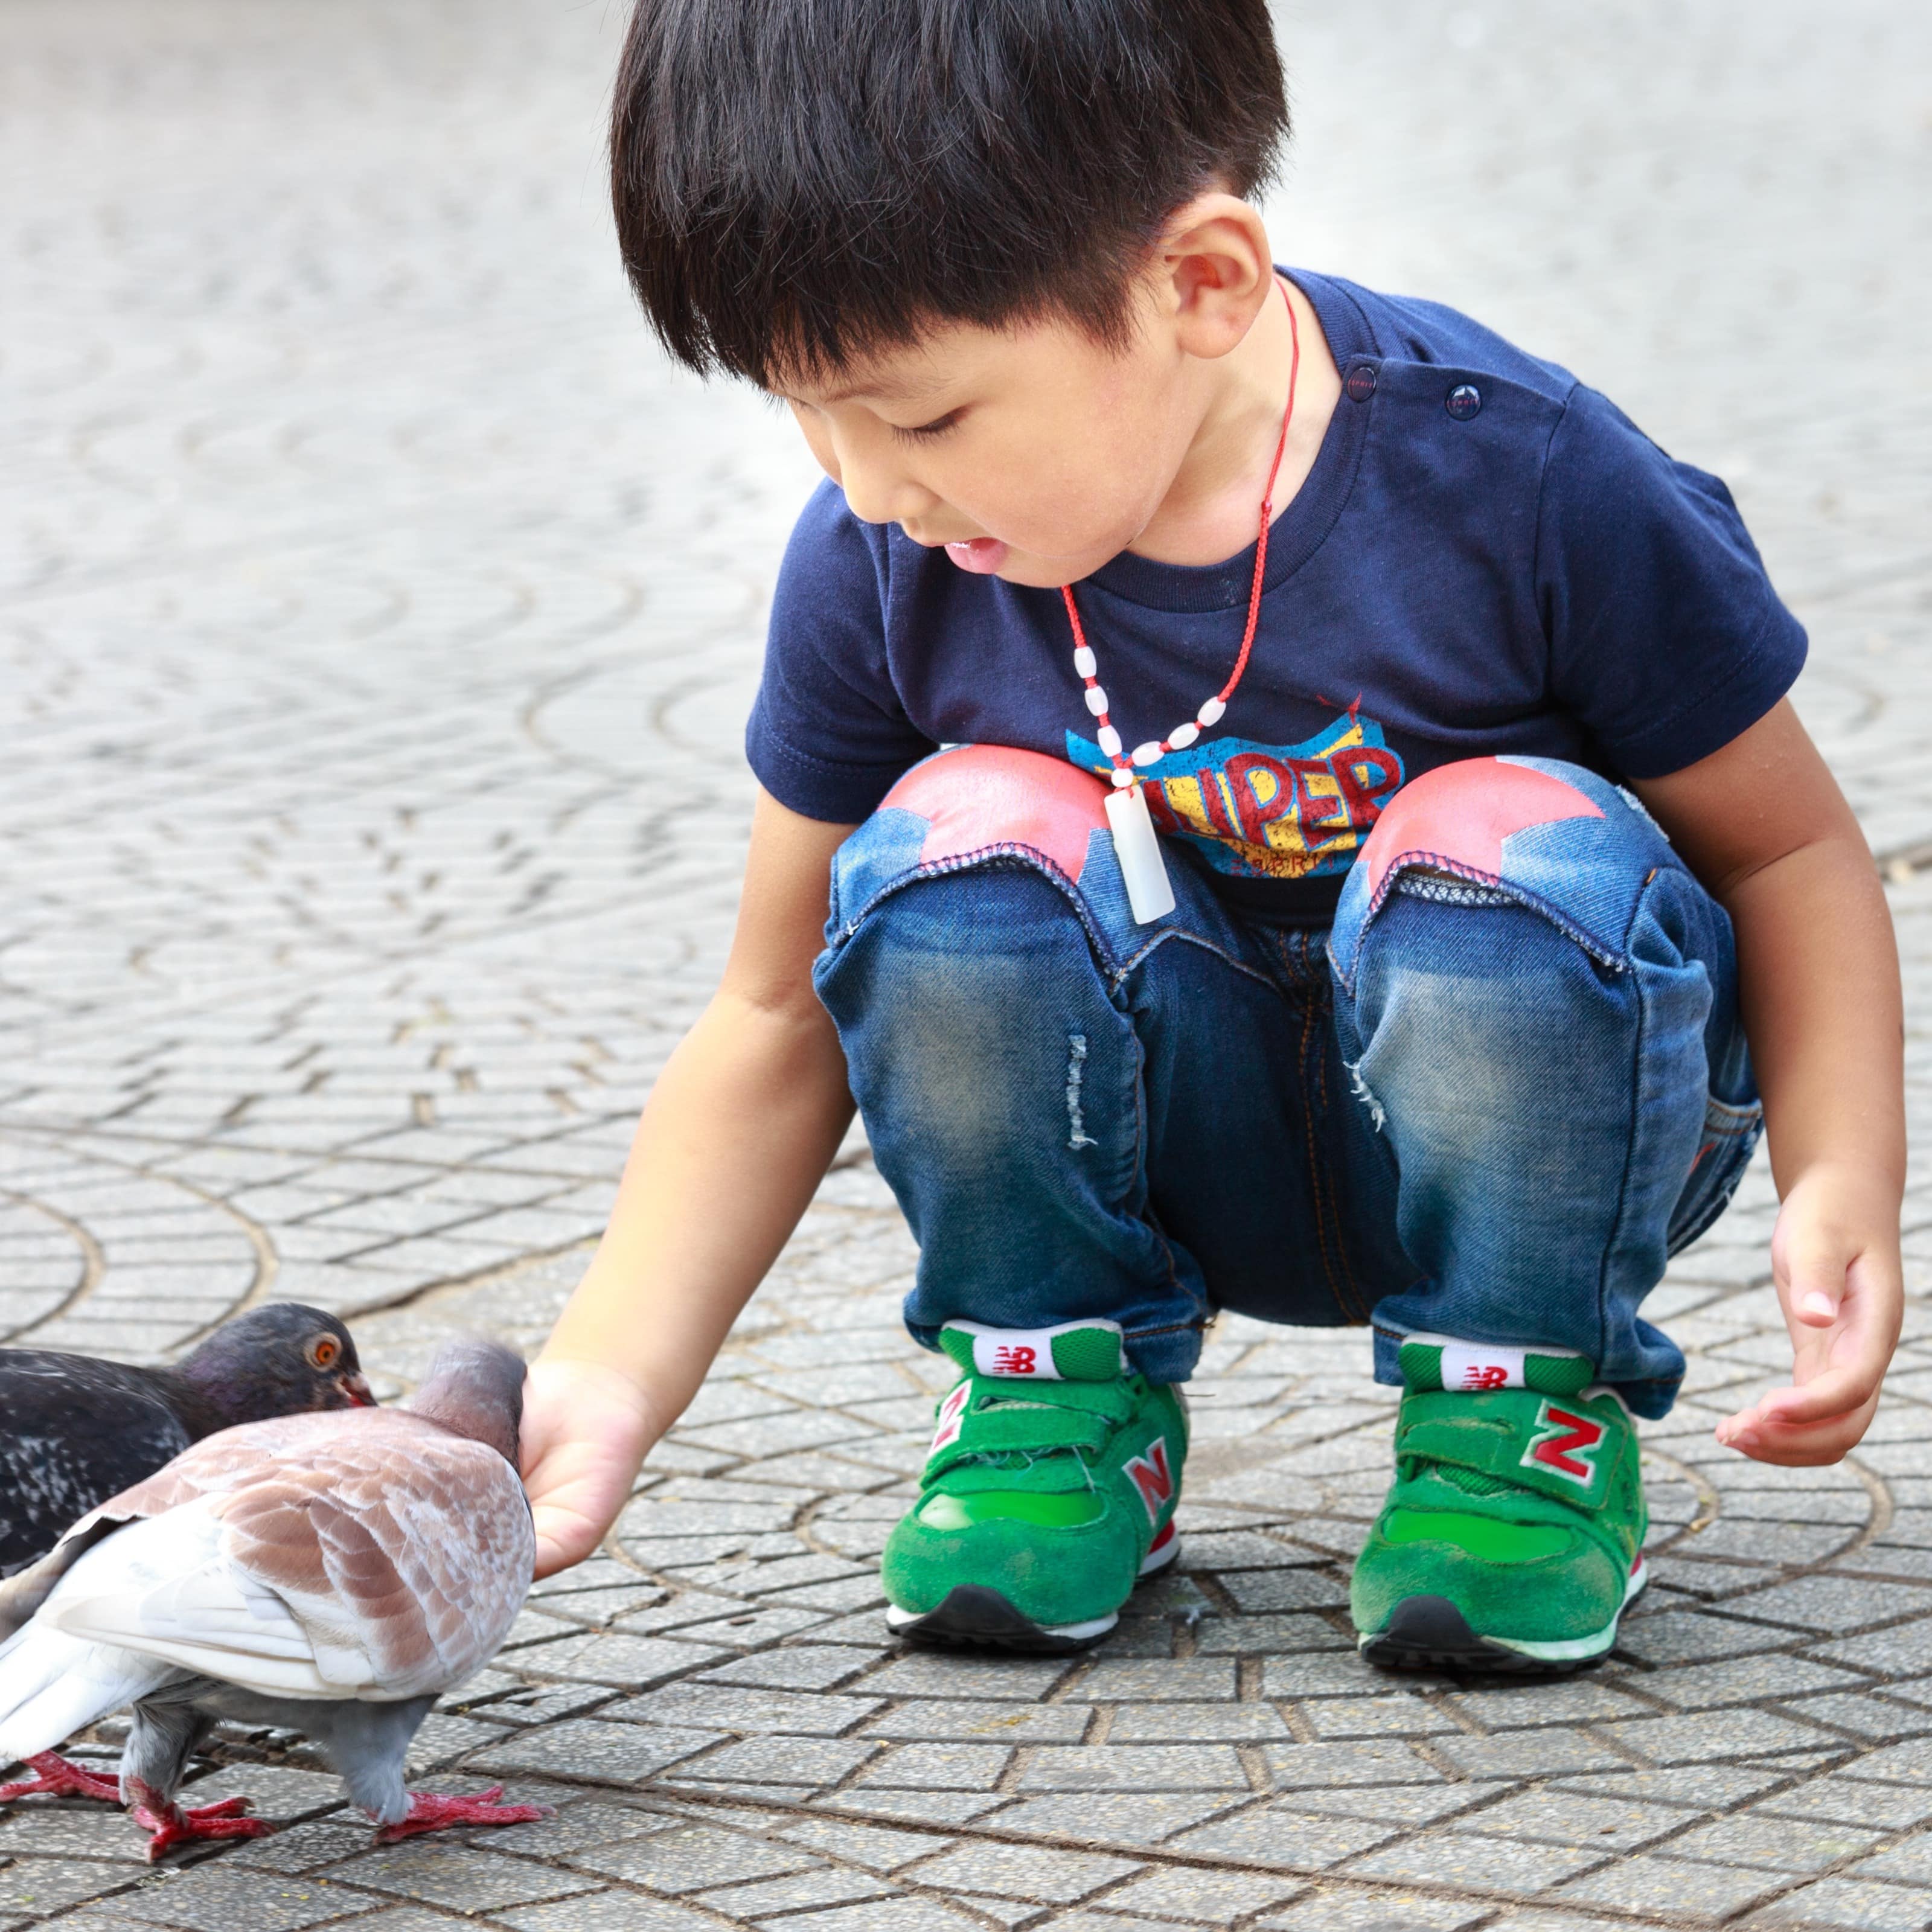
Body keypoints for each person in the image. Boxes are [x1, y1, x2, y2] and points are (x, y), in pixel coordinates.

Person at [516, 0, 1905, 1671]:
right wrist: (602, 1373)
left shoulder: (1528, 484)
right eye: (807, 415)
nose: (873, 486)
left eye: (927, 417)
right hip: (1165, 1135)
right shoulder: (884, 559)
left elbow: (1788, 854)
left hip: (1537, 1126)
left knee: (1496, 839)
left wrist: (1845, 1180)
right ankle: (1055, 1390)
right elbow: (768, 1010)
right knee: (960, 841)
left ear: (1200, 281)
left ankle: (1515, 1421)